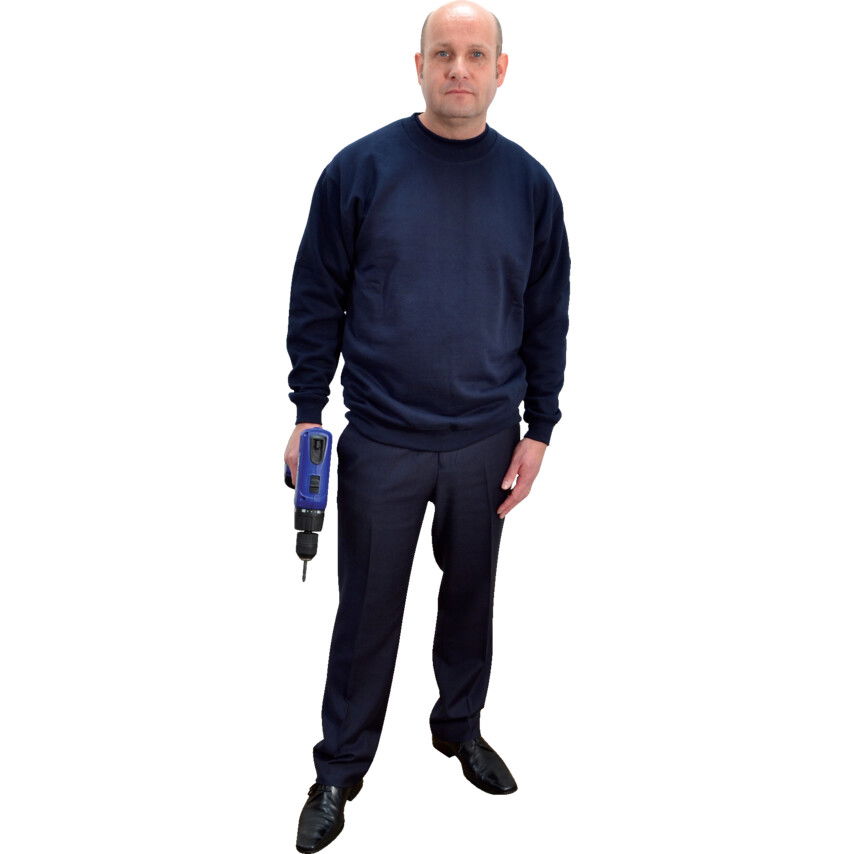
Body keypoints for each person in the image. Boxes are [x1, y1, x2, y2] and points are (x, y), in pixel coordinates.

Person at [285, 2, 570, 850]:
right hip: (383, 438)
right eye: (443, 53)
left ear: (500, 70)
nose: (458, 68)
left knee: (472, 598)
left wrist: (540, 427)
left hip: (487, 439)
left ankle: (459, 727)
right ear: (418, 66)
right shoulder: (360, 171)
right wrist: (306, 411)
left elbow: (547, 314)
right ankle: (340, 768)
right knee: (367, 610)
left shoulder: (529, 186)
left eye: (476, 54)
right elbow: (316, 297)